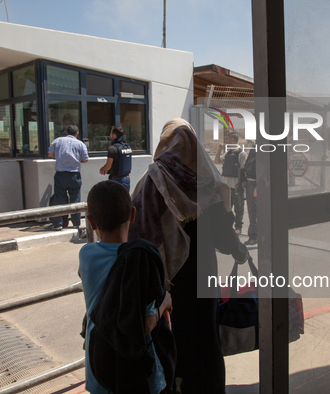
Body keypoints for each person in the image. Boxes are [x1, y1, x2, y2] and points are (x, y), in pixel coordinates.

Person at [129, 119, 249, 394]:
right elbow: (222, 232)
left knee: (176, 336)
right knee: (206, 338)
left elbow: (135, 226)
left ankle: (178, 386)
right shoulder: (205, 182)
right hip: (203, 271)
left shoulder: (152, 180)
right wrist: (239, 251)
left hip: (169, 278)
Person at [79, 180, 175, 394]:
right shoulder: (141, 259)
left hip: (99, 365)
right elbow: (147, 325)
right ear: (132, 215)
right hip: (135, 370)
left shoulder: (86, 255)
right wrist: (165, 302)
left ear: (91, 222)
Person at [48, 124, 89, 230]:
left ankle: (58, 224)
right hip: (74, 174)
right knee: (75, 199)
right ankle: (76, 224)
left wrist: (59, 157)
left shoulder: (57, 141)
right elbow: (85, 160)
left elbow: (50, 154)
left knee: (59, 199)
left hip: (61, 174)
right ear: (77, 134)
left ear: (66, 132)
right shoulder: (80, 144)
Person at [214, 131, 247, 234]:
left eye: (227, 139)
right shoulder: (227, 153)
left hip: (237, 186)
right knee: (226, 208)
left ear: (232, 140)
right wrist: (219, 150)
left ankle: (238, 228)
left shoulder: (242, 153)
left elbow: (244, 170)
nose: (226, 141)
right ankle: (226, 228)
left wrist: (243, 185)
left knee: (238, 208)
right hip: (227, 187)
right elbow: (217, 161)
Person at [100, 126, 132, 192]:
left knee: (114, 201)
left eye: (111, 133)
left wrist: (102, 169)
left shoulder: (113, 148)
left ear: (114, 135)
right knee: (124, 200)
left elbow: (108, 166)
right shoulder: (127, 147)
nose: (110, 135)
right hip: (126, 179)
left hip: (116, 180)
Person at [242, 147, 257, 245]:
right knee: (252, 212)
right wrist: (244, 181)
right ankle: (253, 236)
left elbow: (265, 170)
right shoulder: (253, 151)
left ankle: (261, 236)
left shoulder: (265, 150)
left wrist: (259, 186)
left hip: (257, 186)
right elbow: (246, 168)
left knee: (261, 213)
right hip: (249, 185)